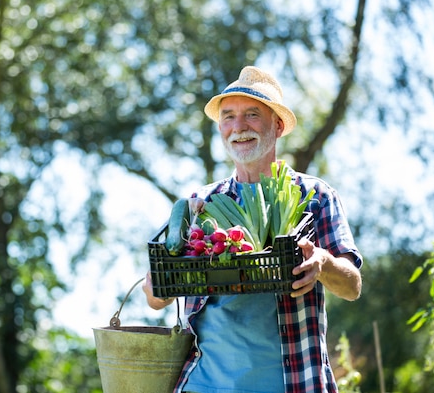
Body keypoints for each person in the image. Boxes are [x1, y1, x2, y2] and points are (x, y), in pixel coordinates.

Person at [143, 66, 363, 393]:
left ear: (277, 124)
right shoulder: (199, 203)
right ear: (220, 128)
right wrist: (169, 275)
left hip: (294, 382)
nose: (239, 127)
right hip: (205, 384)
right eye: (229, 116)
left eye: (252, 115)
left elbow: (352, 286)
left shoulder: (313, 196)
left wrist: (322, 262)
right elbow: (154, 298)